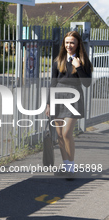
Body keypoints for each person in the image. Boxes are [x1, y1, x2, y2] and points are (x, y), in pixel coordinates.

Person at [45, 30, 92, 179]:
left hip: (74, 97)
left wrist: (78, 66)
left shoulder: (83, 61)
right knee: (59, 135)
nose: (69, 45)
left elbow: (87, 83)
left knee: (66, 133)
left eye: (72, 42)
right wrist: (48, 103)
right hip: (58, 96)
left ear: (78, 44)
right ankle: (66, 166)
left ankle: (71, 168)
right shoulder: (58, 60)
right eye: (66, 42)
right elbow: (53, 83)